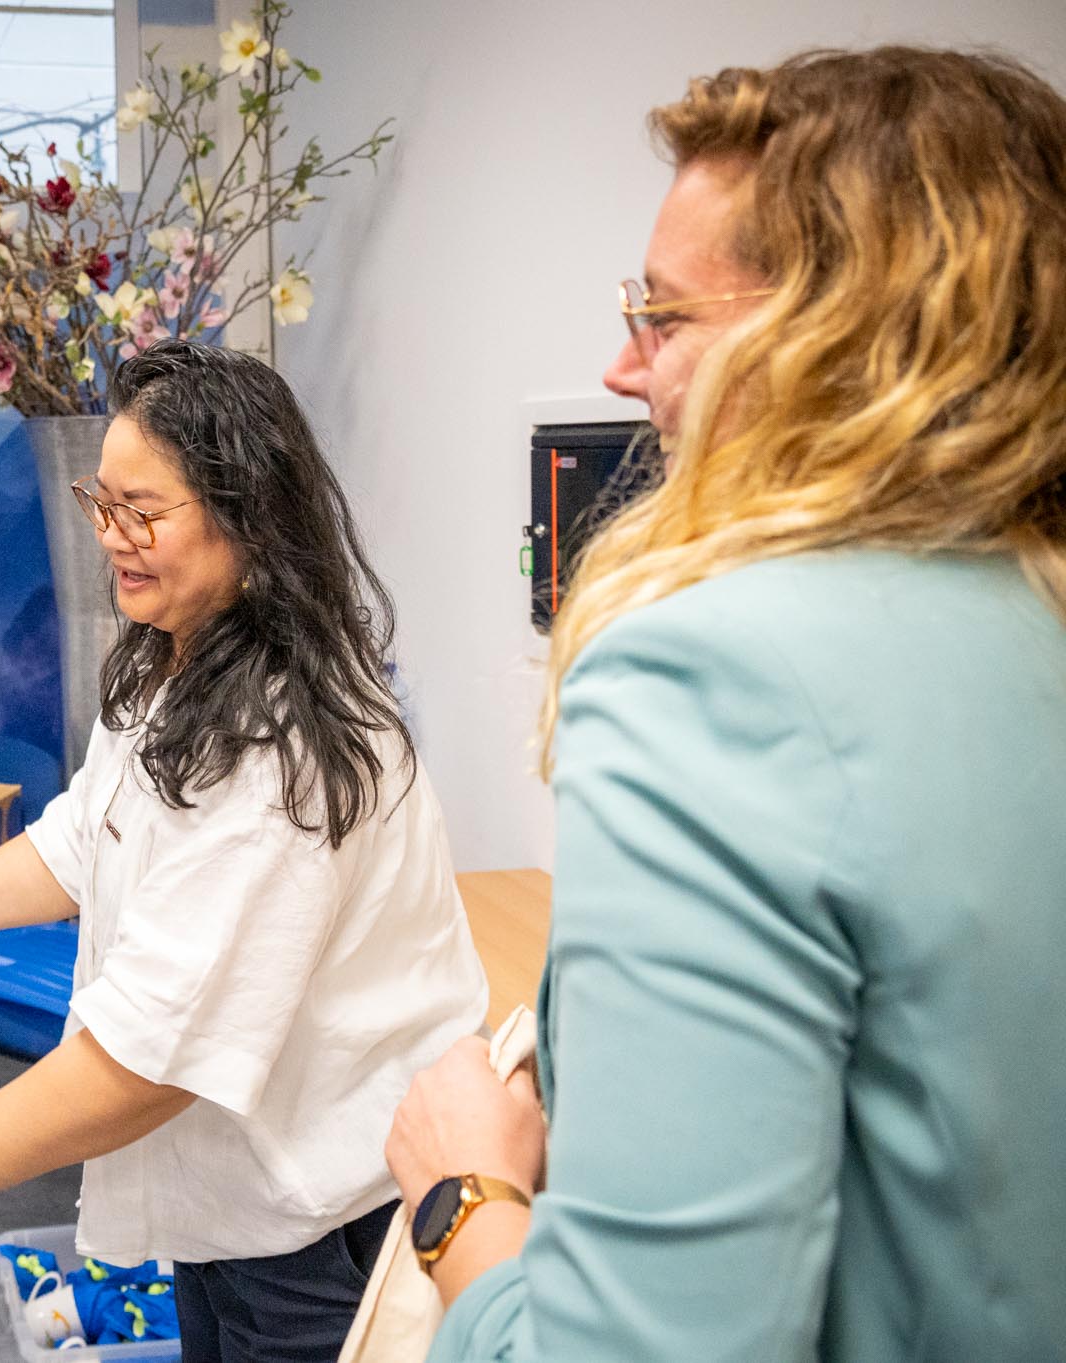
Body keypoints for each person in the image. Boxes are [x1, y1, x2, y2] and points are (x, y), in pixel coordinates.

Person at [385, 47, 1066, 1361]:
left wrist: (462, 1194)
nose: (626, 369)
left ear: (841, 339)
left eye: (664, 314)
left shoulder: (713, 674)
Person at [0, 339, 490, 1363]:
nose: (109, 536)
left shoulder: (277, 748)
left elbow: (151, 1058)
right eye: (101, 500)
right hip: (235, 1203)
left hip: (324, 1227)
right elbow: (89, 833)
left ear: (247, 516)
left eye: (143, 511)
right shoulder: (179, 656)